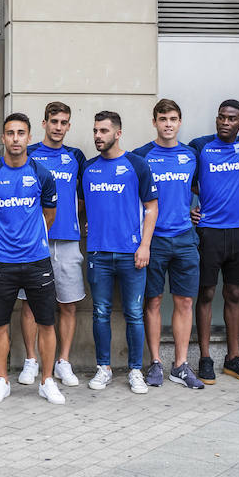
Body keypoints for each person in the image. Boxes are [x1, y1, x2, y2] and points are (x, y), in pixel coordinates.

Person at [0, 113, 63, 405]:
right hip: (2, 263)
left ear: (28, 136)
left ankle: (47, 381)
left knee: (47, 323)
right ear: (3, 137)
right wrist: (0, 237)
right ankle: (2, 380)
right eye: (10, 133)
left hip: (38, 261)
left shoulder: (42, 174)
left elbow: (49, 214)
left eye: (20, 133)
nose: (15, 139)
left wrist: (33, 237)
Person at [83, 111, 158, 393]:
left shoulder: (137, 165)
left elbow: (151, 207)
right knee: (100, 312)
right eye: (95, 131)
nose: (98, 136)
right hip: (98, 254)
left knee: (134, 314)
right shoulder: (88, 168)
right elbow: (83, 205)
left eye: (103, 131)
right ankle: (103, 368)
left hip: (132, 254)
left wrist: (145, 245)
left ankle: (136, 370)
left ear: (118, 133)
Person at [132, 99, 202, 389]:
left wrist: (197, 209)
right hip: (154, 239)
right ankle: (156, 363)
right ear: (154, 122)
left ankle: (181, 365)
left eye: (173, 118)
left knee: (185, 301)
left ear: (180, 121)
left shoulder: (191, 155)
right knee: (154, 301)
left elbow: (200, 189)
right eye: (163, 118)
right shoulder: (141, 156)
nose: (168, 124)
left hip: (185, 237)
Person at [188, 100, 239, 384]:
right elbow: (183, 181)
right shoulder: (200, 146)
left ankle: (232, 358)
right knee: (205, 294)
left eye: (232, 119)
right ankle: (205, 358)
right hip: (209, 232)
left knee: (234, 294)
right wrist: (189, 209)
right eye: (221, 118)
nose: (225, 123)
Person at [21, 102, 87, 388]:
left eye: (64, 122)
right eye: (54, 121)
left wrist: (73, 219)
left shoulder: (75, 156)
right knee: (28, 304)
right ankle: (31, 361)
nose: (58, 127)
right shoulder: (30, 154)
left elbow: (83, 197)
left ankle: (63, 362)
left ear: (69, 126)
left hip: (69, 240)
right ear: (44, 123)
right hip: (34, 243)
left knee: (68, 304)